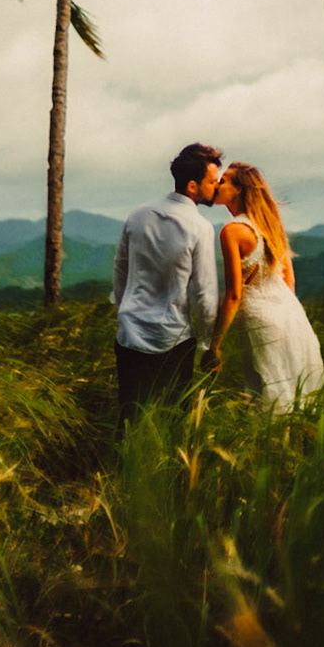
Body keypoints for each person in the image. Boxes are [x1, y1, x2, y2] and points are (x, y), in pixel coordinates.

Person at [112, 142, 222, 431]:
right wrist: (208, 344)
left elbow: (120, 269)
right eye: (212, 182)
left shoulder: (137, 215)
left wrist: (124, 310)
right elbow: (205, 294)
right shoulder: (200, 227)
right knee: (173, 422)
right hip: (173, 339)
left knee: (129, 416)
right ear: (192, 186)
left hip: (129, 334)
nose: (217, 187)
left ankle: (125, 469)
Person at [206, 162, 324, 411]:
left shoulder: (233, 231)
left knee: (267, 400)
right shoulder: (271, 227)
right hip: (292, 318)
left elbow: (233, 294)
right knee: (295, 397)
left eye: (224, 180)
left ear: (239, 189)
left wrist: (214, 345)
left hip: (260, 321)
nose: (218, 184)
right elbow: (288, 281)